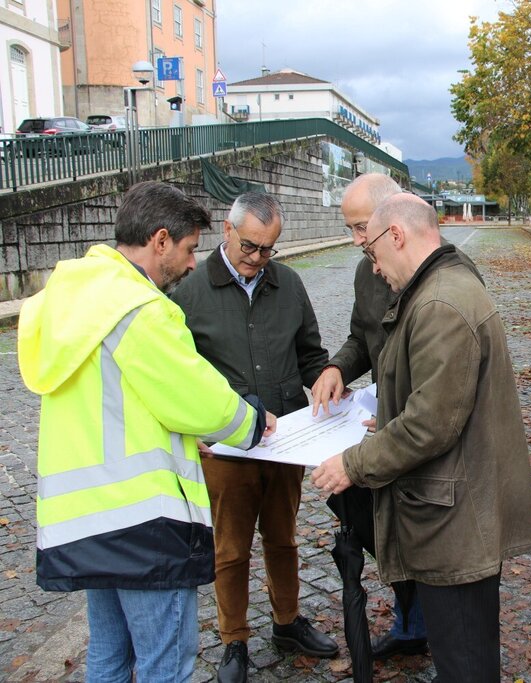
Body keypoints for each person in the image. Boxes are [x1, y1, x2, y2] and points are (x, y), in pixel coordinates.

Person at [17, 181, 275, 683]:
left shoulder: (72, 297)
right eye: (188, 249)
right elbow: (192, 394)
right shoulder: (139, 307)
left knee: (109, 658)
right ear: (160, 241)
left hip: (84, 520)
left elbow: (117, 399)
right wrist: (250, 422)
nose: (192, 263)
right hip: (142, 526)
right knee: (165, 665)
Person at [311, 194, 531, 682]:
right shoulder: (439, 288)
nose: (374, 268)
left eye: (373, 252)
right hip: (454, 511)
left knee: (465, 662)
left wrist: (351, 464)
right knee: (462, 653)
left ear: (396, 236)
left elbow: (430, 423)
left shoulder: (439, 303)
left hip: (456, 522)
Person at [171, 192, 338, 681]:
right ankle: (234, 641)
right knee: (230, 548)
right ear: (227, 230)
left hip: (286, 441)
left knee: (283, 538)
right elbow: (176, 375)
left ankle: (287, 622)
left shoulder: (289, 284)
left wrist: (329, 379)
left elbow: (310, 354)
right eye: (250, 246)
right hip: (225, 448)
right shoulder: (189, 292)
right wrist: (189, 428)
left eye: (268, 249)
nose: (258, 258)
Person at [310, 173, 430, 660]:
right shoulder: (366, 272)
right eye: (351, 229)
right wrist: (338, 367)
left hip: (416, 429)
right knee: (369, 515)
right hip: (378, 422)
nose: (357, 240)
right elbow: (362, 337)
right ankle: (411, 620)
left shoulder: (434, 274)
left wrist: (403, 413)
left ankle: (429, 624)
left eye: (362, 228)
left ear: (390, 220)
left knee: (422, 530)